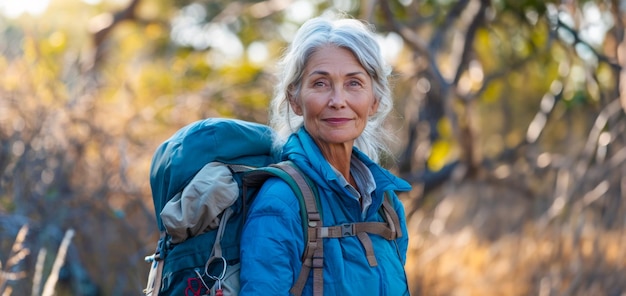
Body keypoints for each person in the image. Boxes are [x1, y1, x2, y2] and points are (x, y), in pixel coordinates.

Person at [239, 15, 412, 295]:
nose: (338, 100)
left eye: (354, 83)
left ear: (375, 101)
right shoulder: (280, 203)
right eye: (320, 83)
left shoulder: (386, 204)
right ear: (295, 99)